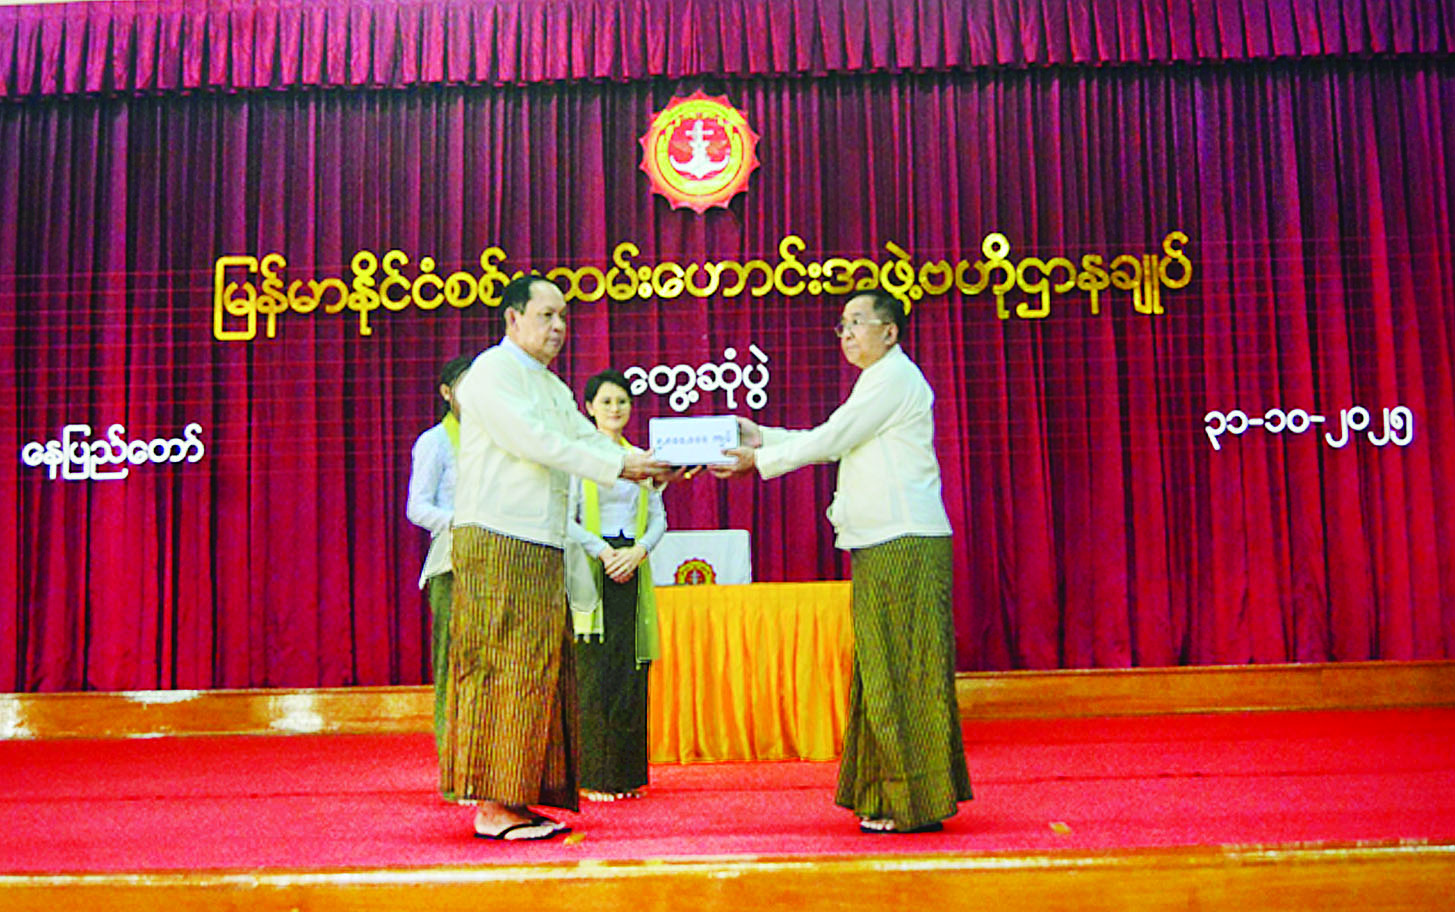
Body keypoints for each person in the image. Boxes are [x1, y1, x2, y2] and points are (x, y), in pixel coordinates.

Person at [712, 289, 972, 834]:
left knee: (903, 671)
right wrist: (764, 438)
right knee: (882, 669)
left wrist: (759, 458)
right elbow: (837, 437)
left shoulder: (894, 378)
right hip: (882, 542)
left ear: (890, 332)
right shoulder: (877, 381)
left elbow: (833, 438)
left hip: (905, 540)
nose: (847, 334)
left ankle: (914, 802)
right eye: (843, 326)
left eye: (858, 323)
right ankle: (884, 795)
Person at [445, 275, 670, 841]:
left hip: (541, 541)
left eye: (564, 317)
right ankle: (493, 806)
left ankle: (518, 798)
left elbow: (586, 439)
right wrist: (621, 466)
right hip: (498, 535)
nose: (558, 328)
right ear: (512, 318)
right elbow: (534, 442)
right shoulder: (491, 373)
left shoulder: (549, 384)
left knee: (537, 669)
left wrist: (643, 463)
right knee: (502, 667)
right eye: (546, 315)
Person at [566, 370, 666, 803]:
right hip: (592, 567)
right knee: (594, 672)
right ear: (589, 408)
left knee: (630, 670)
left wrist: (638, 551)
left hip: (632, 564)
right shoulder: (579, 457)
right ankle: (594, 776)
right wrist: (604, 552)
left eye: (622, 401)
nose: (614, 409)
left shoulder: (640, 458)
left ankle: (626, 775)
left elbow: (659, 517)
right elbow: (564, 518)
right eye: (606, 402)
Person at [405, 354, 473, 795]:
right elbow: (417, 507)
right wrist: (461, 521)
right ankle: (456, 774)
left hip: (497, 564)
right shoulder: (435, 442)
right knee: (453, 668)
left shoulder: (498, 439)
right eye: (466, 386)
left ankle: (488, 772)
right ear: (447, 393)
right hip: (452, 563)